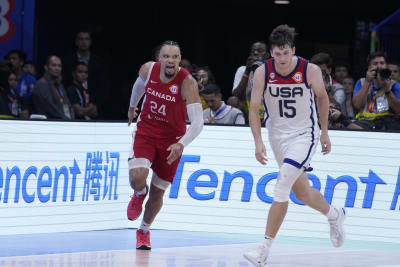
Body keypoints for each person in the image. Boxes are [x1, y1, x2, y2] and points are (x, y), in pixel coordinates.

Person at [243, 25, 346, 266]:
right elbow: (254, 109)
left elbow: (322, 98)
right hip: (277, 137)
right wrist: (258, 142)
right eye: (277, 54)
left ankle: (263, 250)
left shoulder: (309, 70)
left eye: (286, 53)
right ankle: (335, 215)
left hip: (304, 135)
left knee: (281, 186)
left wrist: (324, 133)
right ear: (271, 53)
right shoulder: (263, 73)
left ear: (293, 51)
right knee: (302, 192)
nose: (281, 58)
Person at [126, 40, 204, 250]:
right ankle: (139, 193)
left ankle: (144, 230)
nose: (171, 60)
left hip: (172, 142)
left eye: (175, 57)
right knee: (137, 178)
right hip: (147, 131)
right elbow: (139, 86)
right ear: (159, 58)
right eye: (167, 56)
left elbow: (198, 123)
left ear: (180, 59)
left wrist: (181, 144)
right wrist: (133, 106)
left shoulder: (187, 83)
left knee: (158, 193)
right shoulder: (148, 69)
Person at [352, 51, 400, 130]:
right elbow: (357, 105)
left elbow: (398, 110)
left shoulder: (395, 85)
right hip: (364, 124)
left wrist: (387, 91)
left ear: (386, 66)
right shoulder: (362, 82)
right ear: (369, 68)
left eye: (382, 63)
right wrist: (367, 82)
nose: (379, 66)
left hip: (387, 125)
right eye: (375, 64)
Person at [232, 41, 269, 123]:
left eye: (259, 51)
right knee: (233, 100)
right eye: (253, 51)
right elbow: (236, 94)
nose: (255, 53)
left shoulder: (272, 69)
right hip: (248, 108)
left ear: (267, 55)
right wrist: (247, 71)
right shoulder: (242, 69)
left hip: (267, 107)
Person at [31, 55, 74, 120]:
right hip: (49, 124)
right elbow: (51, 108)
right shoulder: (41, 84)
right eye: (54, 65)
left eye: (59, 66)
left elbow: (68, 105)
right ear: (46, 67)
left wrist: (72, 119)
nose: (57, 68)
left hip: (64, 122)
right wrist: (67, 120)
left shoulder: (60, 85)